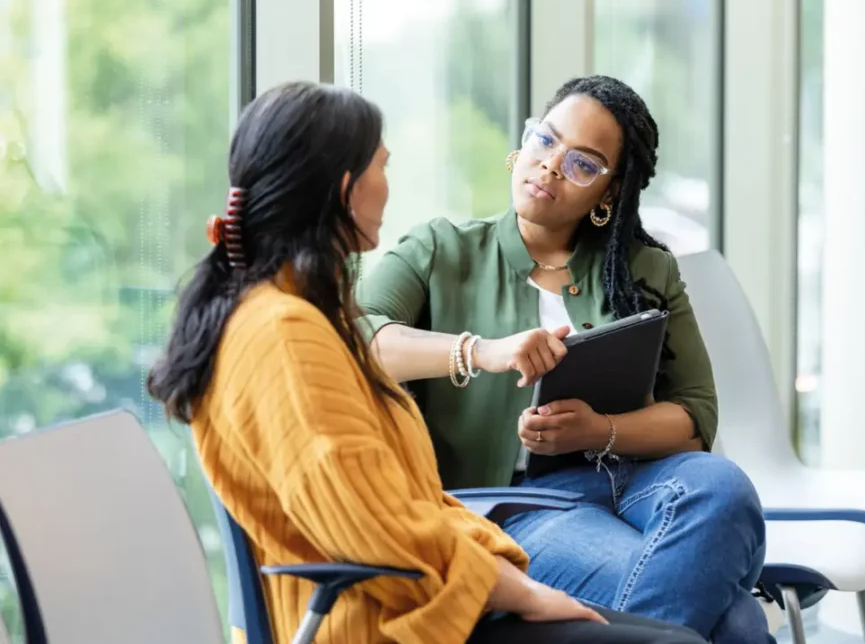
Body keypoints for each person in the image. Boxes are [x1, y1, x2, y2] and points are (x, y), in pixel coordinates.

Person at [146, 81, 705, 644]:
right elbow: (371, 526)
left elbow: (402, 506)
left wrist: (501, 566)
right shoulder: (286, 333)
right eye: (382, 166)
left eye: (583, 163)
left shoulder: (299, 317)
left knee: (720, 573)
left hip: (428, 590)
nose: (390, 186)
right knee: (682, 638)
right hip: (386, 619)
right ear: (346, 188)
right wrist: (518, 588)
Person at [357, 75, 774, 643]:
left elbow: (695, 416)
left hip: (638, 483)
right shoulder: (441, 249)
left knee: (722, 487)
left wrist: (598, 430)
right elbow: (358, 339)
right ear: (521, 146)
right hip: (513, 507)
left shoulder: (647, 268)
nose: (551, 166)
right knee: (738, 620)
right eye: (545, 141)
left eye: (583, 164)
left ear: (609, 193)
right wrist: (482, 351)